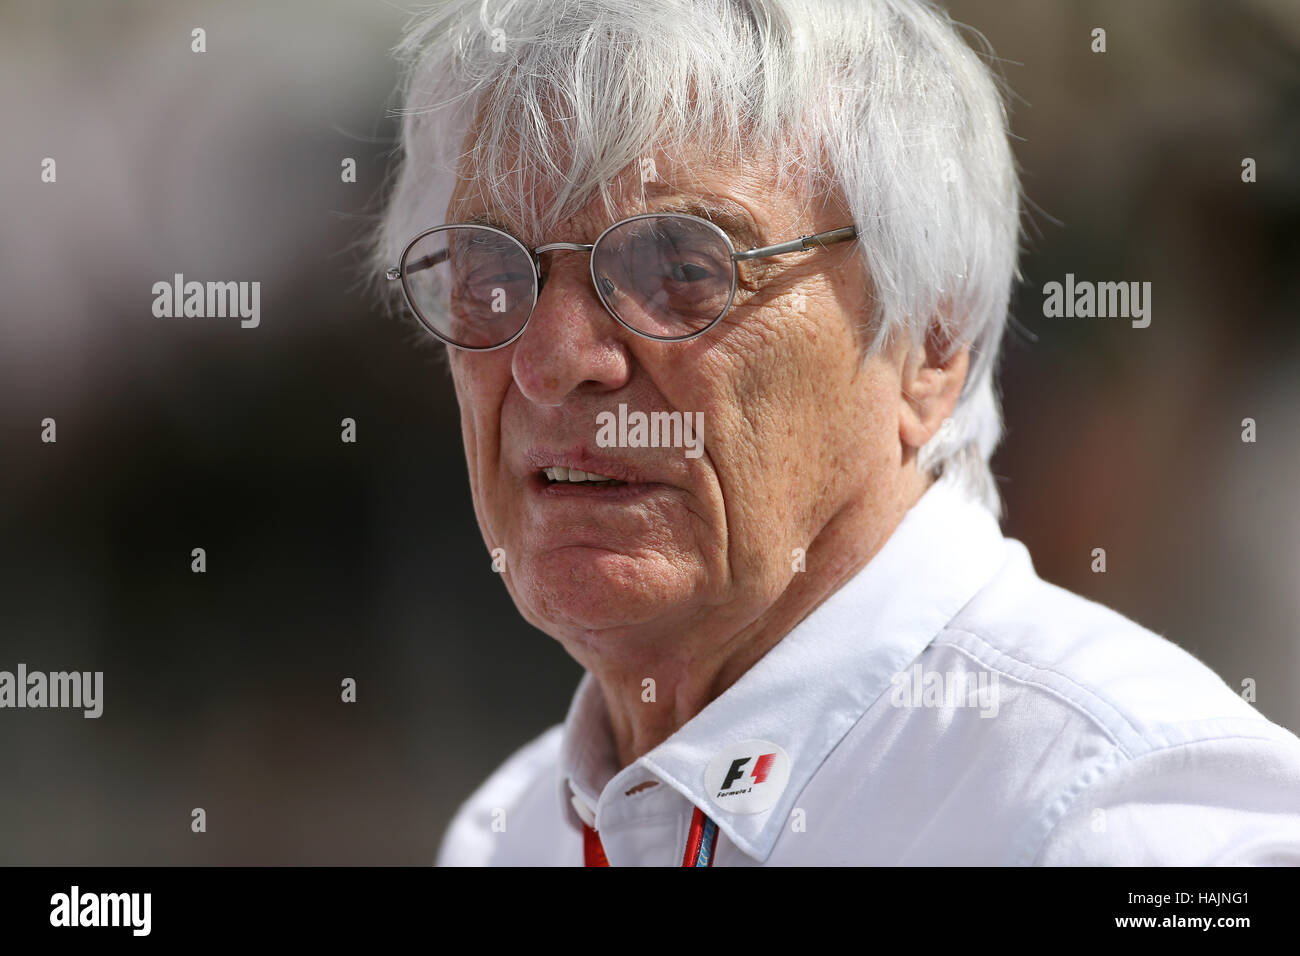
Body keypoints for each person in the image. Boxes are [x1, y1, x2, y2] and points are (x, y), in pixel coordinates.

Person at [374, 0, 1300, 865]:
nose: (551, 360)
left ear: (930, 346)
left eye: (680, 265)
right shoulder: (513, 829)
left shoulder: (1129, 809)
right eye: (488, 270)